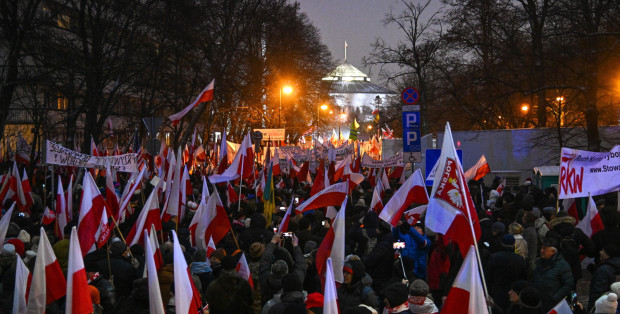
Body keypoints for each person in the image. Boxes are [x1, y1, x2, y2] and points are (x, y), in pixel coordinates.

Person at [485, 234, 528, 309]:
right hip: (513, 293)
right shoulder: (519, 259)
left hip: (496, 292)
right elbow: (523, 277)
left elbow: (488, 276)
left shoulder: (494, 257)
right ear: (513, 244)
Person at [531, 237, 574, 312]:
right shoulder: (539, 263)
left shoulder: (562, 265)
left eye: (544, 249)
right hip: (538, 303)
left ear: (553, 252)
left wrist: (554, 298)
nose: (541, 251)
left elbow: (568, 285)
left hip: (553, 305)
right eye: (541, 248)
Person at [588, 244, 620, 310]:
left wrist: (592, 308)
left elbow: (597, 291)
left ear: (608, 255)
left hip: (603, 306)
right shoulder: (614, 266)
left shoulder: (602, 270)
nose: (600, 252)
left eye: (602, 251)